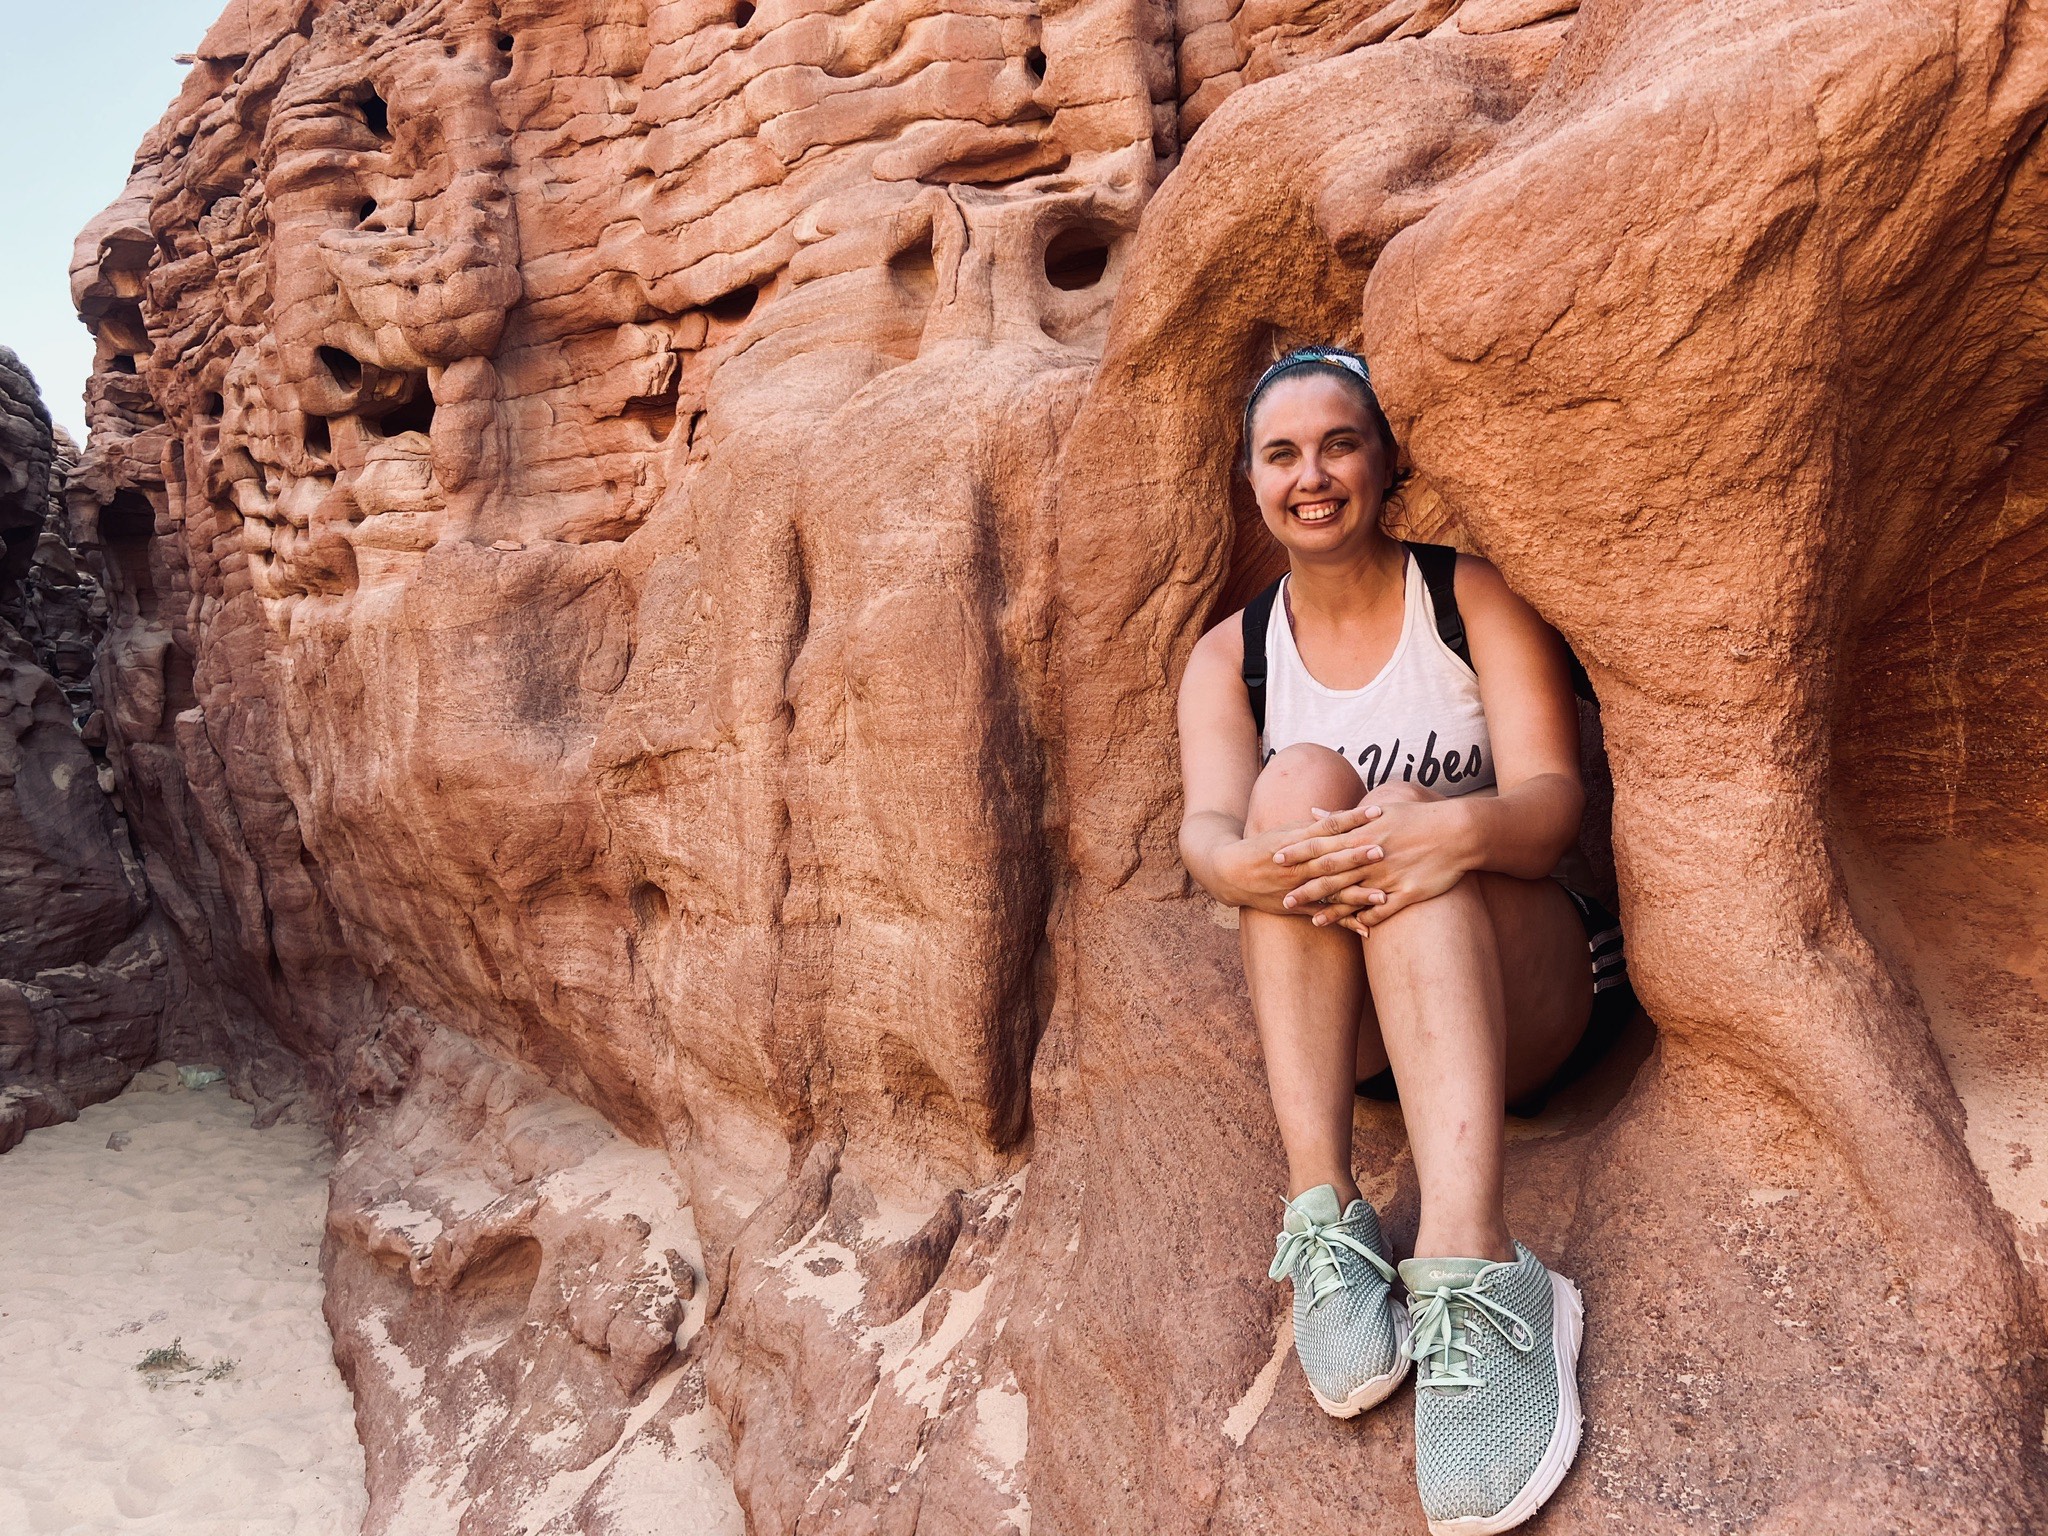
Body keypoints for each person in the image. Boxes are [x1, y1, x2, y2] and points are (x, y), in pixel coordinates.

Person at [1176, 346, 1627, 1534]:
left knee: (1387, 820)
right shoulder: (1236, 655)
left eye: (1338, 444)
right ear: (1250, 478)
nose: (1310, 475)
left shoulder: (1461, 596)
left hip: (1524, 989)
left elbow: (1552, 805)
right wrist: (1263, 859)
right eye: (1281, 454)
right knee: (1295, 795)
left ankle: (1478, 1265)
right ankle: (1326, 1220)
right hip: (1370, 1027)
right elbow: (1209, 840)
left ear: (1383, 463)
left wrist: (1437, 832)